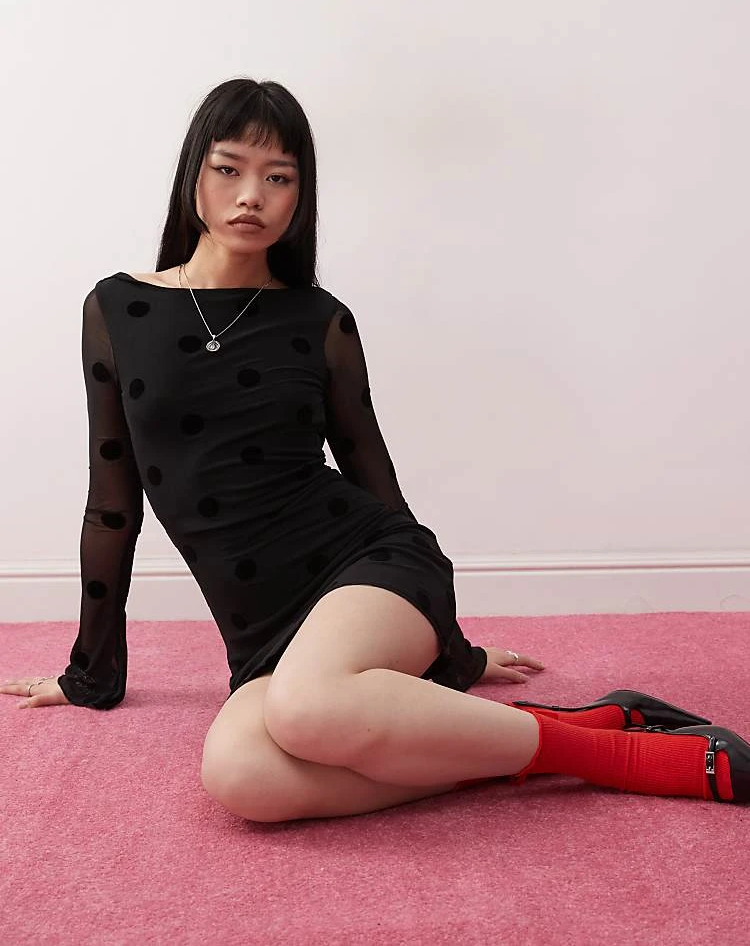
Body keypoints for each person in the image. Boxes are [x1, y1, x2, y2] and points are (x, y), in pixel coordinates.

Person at [2, 78, 746, 820]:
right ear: (193, 172)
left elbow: (371, 477)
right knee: (240, 776)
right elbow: (112, 505)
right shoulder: (118, 309)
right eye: (229, 169)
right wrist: (90, 672)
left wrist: (450, 649)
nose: (251, 195)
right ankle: (564, 733)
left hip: (371, 568)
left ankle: (627, 757)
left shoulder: (320, 320)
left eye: (279, 177)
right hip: (263, 630)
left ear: (301, 196)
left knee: (306, 706)